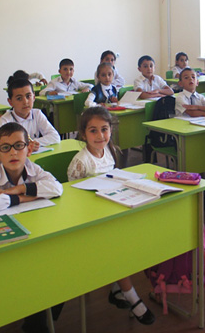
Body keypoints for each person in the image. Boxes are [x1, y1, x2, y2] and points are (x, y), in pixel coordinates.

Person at [67, 107, 155, 325]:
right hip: (90, 223)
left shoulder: (110, 151)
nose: (100, 136)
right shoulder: (81, 161)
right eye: (93, 131)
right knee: (117, 247)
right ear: (83, 134)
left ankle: (117, 289)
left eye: (104, 130)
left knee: (136, 238)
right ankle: (131, 296)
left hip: (111, 212)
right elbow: (73, 200)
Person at [0, 122, 63, 333]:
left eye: (19, 145)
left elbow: (56, 188)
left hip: (34, 231)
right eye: (6, 148)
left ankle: (40, 312)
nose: (13, 152)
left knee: (56, 267)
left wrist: (18, 190)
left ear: (29, 148)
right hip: (2, 241)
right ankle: (33, 316)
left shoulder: (33, 169)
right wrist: (25, 198)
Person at [175, 67, 205, 208]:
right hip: (184, 134)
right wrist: (198, 110)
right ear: (180, 83)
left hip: (200, 130)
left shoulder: (200, 97)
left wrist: (196, 108)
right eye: (186, 77)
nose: (191, 80)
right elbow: (191, 114)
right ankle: (194, 187)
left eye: (193, 77)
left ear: (198, 82)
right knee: (195, 158)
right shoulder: (179, 97)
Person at [0, 78, 60, 151]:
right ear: (10, 102)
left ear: (33, 97)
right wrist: (23, 145)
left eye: (28, 96)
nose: (25, 102)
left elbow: (55, 136)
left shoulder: (37, 114)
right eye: (19, 98)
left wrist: (33, 143)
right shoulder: (6, 120)